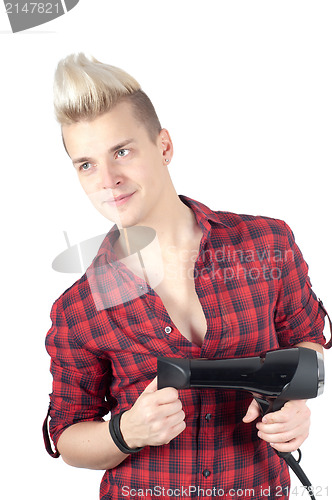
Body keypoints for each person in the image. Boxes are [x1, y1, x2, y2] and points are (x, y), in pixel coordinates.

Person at [44, 53, 330, 500]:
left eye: (122, 151)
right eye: (87, 164)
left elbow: (310, 343)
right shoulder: (79, 308)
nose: (108, 179)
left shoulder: (266, 245)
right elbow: (66, 436)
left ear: (163, 147)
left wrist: (295, 403)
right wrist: (125, 432)